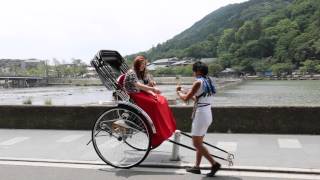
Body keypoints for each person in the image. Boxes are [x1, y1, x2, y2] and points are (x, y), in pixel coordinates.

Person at [176, 61, 221, 177]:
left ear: (198, 71)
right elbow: (198, 97)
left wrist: (178, 93)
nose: (193, 73)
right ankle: (197, 167)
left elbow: (186, 99)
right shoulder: (208, 81)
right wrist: (185, 91)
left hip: (201, 114)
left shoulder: (198, 82)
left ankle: (214, 164)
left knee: (196, 144)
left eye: (194, 71)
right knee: (199, 143)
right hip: (207, 113)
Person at [123, 55, 176, 148]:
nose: (143, 66)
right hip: (134, 95)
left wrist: (151, 86)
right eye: (141, 64)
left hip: (142, 93)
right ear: (137, 64)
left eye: (144, 64)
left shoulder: (140, 73)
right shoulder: (131, 72)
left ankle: (167, 128)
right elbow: (138, 85)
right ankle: (158, 132)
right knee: (154, 104)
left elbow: (145, 84)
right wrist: (152, 89)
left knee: (162, 100)